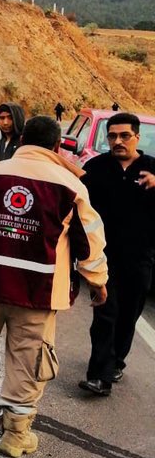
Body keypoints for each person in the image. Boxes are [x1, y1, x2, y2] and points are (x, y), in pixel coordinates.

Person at [0, 116, 108, 458]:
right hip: (39, 291)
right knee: (29, 360)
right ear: (56, 146)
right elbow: (88, 245)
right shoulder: (71, 186)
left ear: (20, 139)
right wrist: (98, 282)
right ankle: (15, 436)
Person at [79, 112, 155, 395]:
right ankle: (98, 375)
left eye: (124, 135)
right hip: (103, 258)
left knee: (127, 315)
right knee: (105, 314)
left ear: (137, 137)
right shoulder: (96, 168)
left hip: (140, 259)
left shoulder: (151, 168)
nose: (118, 141)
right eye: (112, 136)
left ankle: (116, 361)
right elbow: (77, 203)